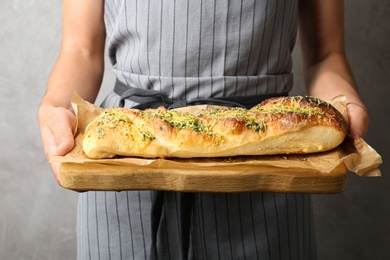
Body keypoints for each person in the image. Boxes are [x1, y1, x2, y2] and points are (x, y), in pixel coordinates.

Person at [38, 0, 369, 259]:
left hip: (274, 161)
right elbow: (80, 48)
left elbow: (327, 54)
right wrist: (55, 106)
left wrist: (344, 104)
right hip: (125, 166)